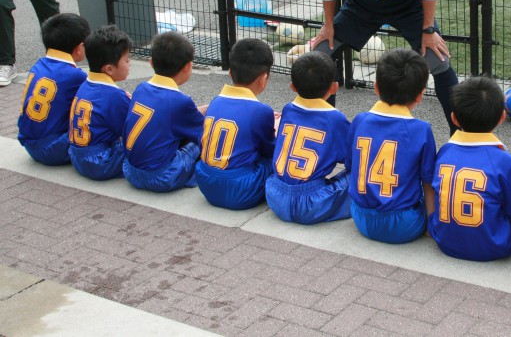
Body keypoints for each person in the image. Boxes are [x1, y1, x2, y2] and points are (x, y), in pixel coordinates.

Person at [312, 0, 459, 135]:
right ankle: (326, 127)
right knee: (322, 52)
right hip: (362, 7)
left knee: (438, 60)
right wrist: (328, 25)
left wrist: (428, 30)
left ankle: (460, 134)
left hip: (408, 7)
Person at [428, 76, 511, 261]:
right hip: (493, 248)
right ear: (503, 117)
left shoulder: (444, 152)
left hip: (445, 242)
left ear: (454, 118)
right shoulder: (504, 161)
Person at [345, 49, 437, 244]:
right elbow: (428, 183)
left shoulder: (360, 120)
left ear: (376, 87)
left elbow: (351, 166)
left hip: (359, 216)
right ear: (420, 95)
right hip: (403, 225)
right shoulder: (421, 129)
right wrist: (430, 224)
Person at [265, 51, 352, 224]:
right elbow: (350, 160)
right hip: (312, 202)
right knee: (361, 171)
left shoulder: (288, 109)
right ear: (334, 87)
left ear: (292, 87)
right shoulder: (335, 118)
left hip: (274, 193)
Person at [196, 38, 276, 210]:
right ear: (263, 79)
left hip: (205, 181)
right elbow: (270, 150)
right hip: (241, 190)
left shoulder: (215, 102)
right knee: (279, 159)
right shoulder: (262, 111)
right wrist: (276, 129)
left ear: (230, 72)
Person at [122, 32, 206, 193]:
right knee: (201, 142)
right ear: (188, 66)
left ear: (151, 62)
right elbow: (204, 133)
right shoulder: (180, 101)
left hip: (129, 170)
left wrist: (206, 107)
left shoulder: (141, 89)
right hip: (162, 177)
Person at [18, 13, 90, 166]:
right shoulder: (75, 75)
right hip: (53, 148)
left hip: (29, 143)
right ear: (79, 48)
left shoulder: (38, 65)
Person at [68, 25, 132, 180]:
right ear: (109, 69)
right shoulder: (114, 96)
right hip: (101, 161)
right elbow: (133, 131)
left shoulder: (86, 84)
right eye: (127, 60)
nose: (129, 64)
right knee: (155, 147)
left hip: (76, 156)